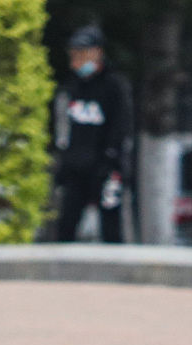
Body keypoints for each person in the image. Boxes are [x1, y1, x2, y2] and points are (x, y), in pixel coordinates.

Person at [52, 25, 133, 243]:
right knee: (66, 223)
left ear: (97, 53)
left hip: (106, 167)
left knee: (111, 225)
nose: (76, 60)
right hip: (76, 167)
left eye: (82, 54)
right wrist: (64, 162)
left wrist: (111, 159)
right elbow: (63, 129)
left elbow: (121, 126)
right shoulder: (72, 87)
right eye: (74, 54)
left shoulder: (114, 86)